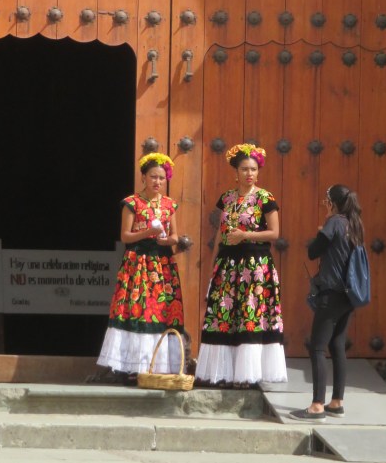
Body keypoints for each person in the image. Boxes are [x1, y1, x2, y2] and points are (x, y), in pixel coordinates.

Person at [195, 143, 286, 387]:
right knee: (225, 315)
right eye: (244, 169)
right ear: (236, 172)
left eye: (253, 169)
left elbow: (274, 233)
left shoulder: (265, 198)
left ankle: (248, 375)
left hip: (254, 266)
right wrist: (213, 265)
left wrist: (245, 235)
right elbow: (220, 233)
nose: (249, 173)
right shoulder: (226, 198)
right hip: (227, 264)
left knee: (249, 314)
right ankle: (224, 373)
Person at [97, 153, 185, 380]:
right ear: (143, 177)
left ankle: (160, 366)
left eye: (162, 178)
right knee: (139, 309)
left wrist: (167, 240)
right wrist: (148, 232)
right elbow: (125, 236)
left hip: (162, 264)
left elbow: (175, 236)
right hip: (138, 262)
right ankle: (133, 367)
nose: (158, 181)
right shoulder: (132, 203)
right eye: (153, 177)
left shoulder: (169, 205)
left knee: (162, 310)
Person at [290, 184, 362, 420]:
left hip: (331, 293)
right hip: (348, 295)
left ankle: (317, 405)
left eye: (326, 202)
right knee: (337, 344)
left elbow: (313, 251)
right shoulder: (354, 223)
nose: (325, 206)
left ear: (332, 203)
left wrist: (321, 232)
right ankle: (337, 402)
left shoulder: (334, 222)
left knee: (318, 347)